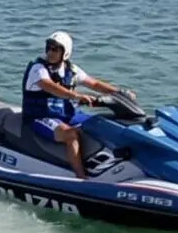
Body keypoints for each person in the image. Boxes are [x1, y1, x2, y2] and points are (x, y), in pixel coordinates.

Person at [22, 31, 135, 179]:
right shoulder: (38, 69)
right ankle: (81, 177)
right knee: (71, 135)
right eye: (48, 48)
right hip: (40, 116)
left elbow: (94, 84)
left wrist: (120, 92)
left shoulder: (72, 70)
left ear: (65, 52)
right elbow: (50, 86)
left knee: (101, 123)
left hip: (68, 114)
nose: (50, 52)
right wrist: (76, 95)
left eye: (55, 49)